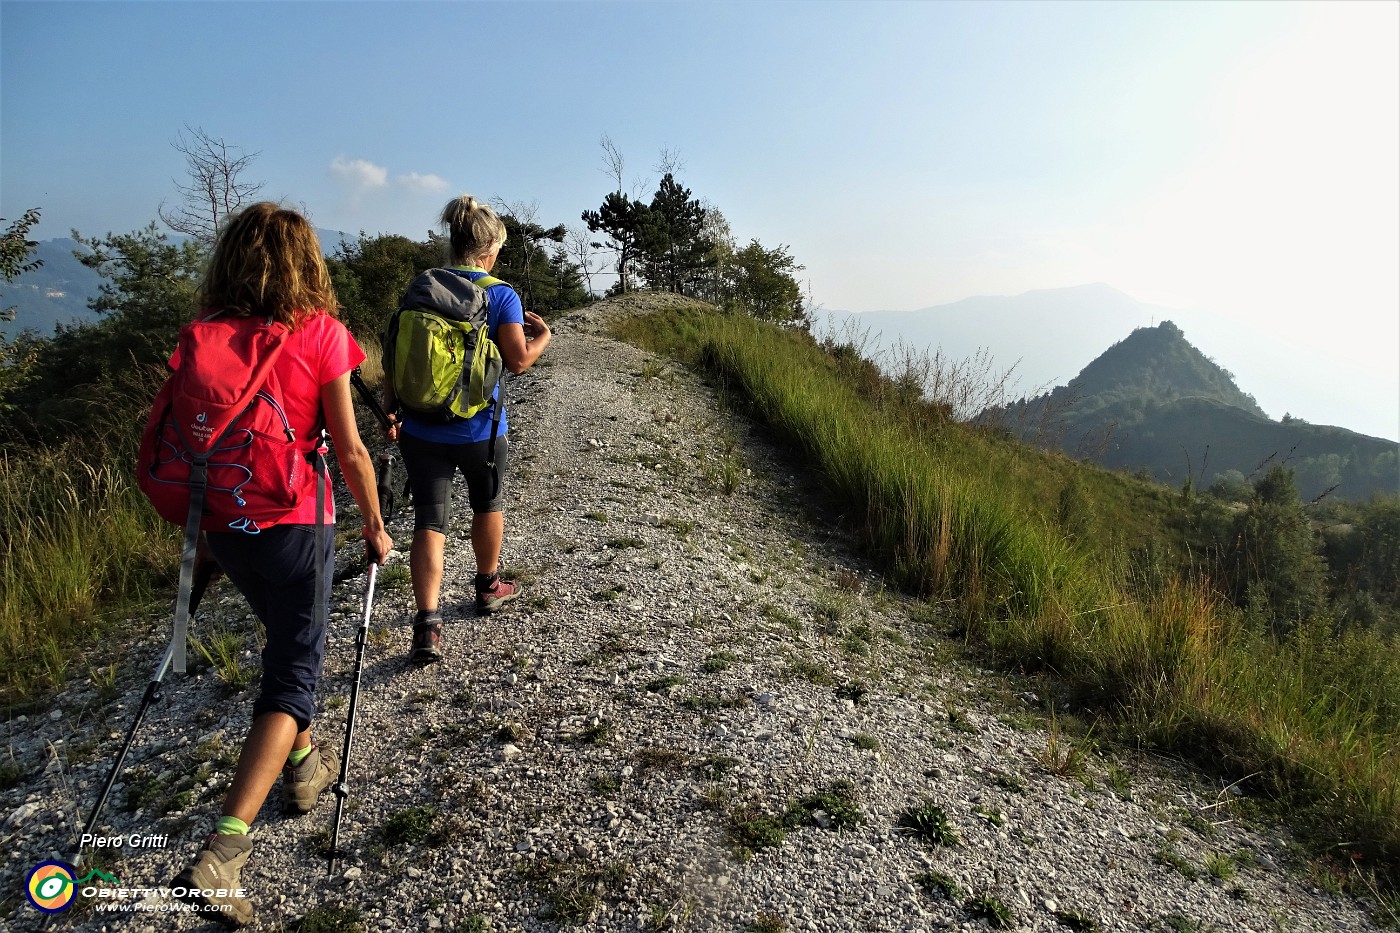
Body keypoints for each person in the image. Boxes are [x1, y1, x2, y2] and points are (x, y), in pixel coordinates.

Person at [170, 203, 393, 926]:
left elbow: (199, 448)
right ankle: (222, 853)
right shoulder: (321, 333)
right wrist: (377, 524)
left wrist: (205, 541)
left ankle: (302, 771)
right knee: (295, 672)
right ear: (307, 263)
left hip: (231, 530)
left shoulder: (202, 337)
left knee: (285, 649)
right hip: (297, 526)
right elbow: (351, 449)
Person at [383, 194, 551, 662]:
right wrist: (545, 338)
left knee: (429, 522)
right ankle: (488, 585)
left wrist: (392, 410)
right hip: (481, 430)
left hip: (421, 429)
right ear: (490, 248)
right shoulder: (501, 294)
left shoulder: (422, 286)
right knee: (487, 503)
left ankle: (428, 625)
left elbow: (399, 350)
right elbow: (517, 361)